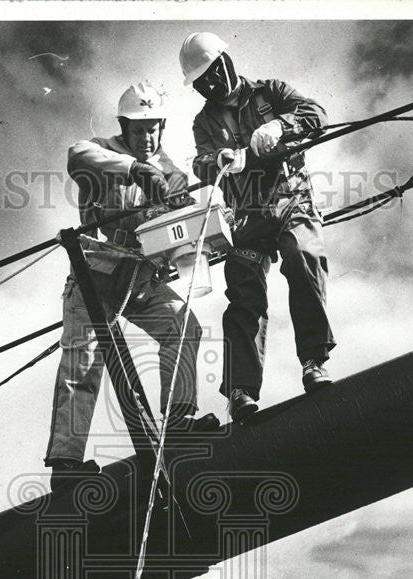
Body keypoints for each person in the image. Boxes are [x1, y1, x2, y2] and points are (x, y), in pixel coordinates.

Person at [45, 82, 218, 492]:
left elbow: (182, 225)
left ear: (161, 127)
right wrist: (136, 169)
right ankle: (67, 463)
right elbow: (76, 155)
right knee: (83, 363)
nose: (147, 138)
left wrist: (188, 246)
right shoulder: (99, 151)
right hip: (97, 272)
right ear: (124, 128)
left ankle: (177, 421)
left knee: (183, 327)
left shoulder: (173, 173)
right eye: (138, 130)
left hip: (141, 276)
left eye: (153, 128)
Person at [180, 32, 336, 422]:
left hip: (290, 199)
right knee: (244, 291)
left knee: (303, 259)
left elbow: (316, 114)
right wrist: (219, 160)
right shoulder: (204, 121)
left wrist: (281, 126)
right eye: (200, 82)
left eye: (212, 74)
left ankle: (314, 361)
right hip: (246, 215)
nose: (210, 86)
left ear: (225, 63)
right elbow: (199, 163)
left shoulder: (271, 91)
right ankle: (241, 391)